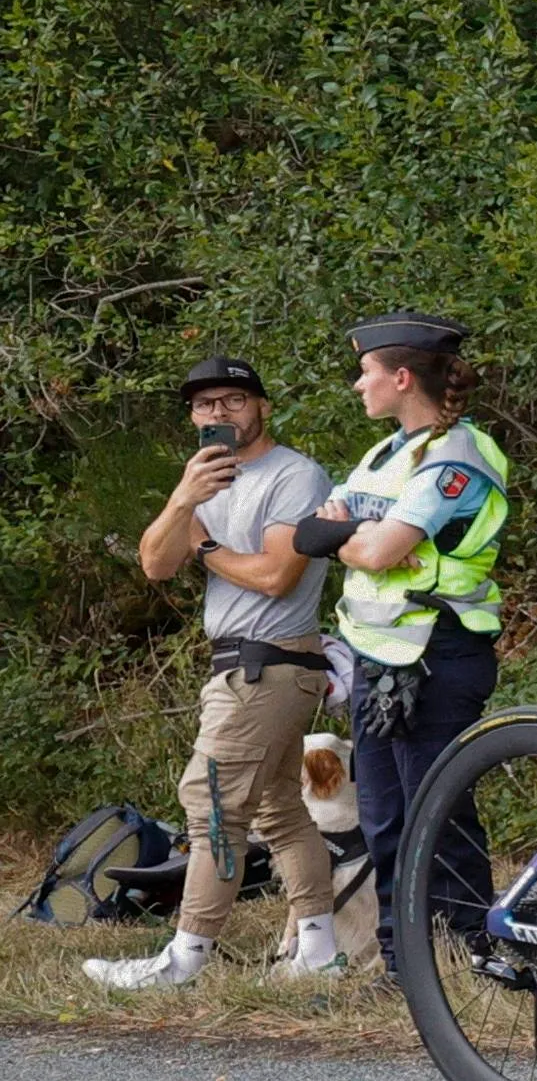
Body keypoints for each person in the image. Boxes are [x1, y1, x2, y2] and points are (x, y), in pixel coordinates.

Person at [85, 356, 344, 992]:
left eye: (233, 400)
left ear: (262, 407)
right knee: (281, 809)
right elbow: (154, 566)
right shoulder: (202, 481)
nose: (219, 414)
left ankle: (183, 961)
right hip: (241, 664)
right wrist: (182, 500)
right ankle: (319, 951)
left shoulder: (295, 475)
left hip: (268, 664)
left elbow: (275, 577)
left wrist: (204, 545)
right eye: (205, 405)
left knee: (210, 808)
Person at [291, 314, 510, 935]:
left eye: (367, 373)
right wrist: (352, 536)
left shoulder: (458, 455)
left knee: (438, 810)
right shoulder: (383, 456)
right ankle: (398, 956)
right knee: (383, 814)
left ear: (403, 376)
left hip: (438, 652)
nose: (358, 385)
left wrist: (352, 535)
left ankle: (470, 947)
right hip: (376, 655)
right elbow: (312, 534)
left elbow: (380, 552)